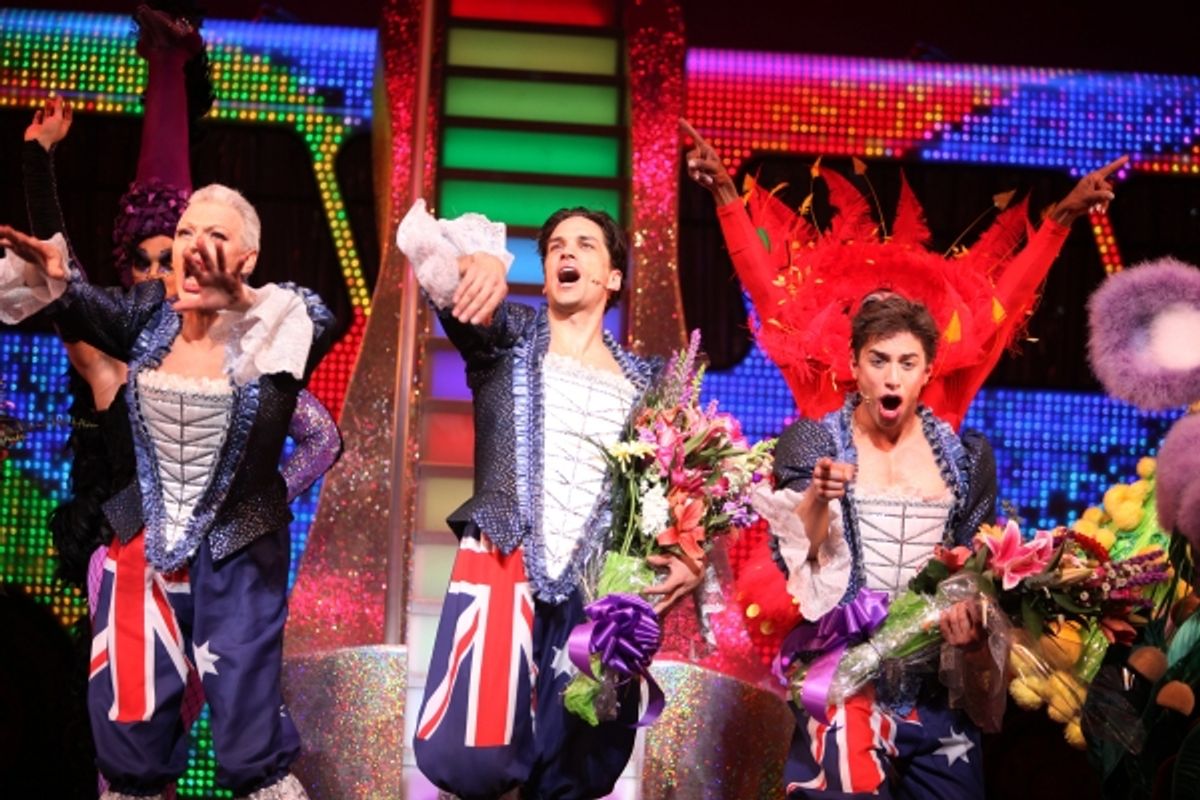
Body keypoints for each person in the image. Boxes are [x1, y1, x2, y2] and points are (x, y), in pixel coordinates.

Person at [0, 182, 333, 800]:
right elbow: (76, 304)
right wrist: (56, 261)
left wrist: (262, 498)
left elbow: (321, 420)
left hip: (233, 562)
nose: (194, 247)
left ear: (248, 257)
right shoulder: (147, 318)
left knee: (249, 740)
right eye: (185, 233)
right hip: (141, 555)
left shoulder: (276, 329)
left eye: (216, 235)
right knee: (131, 741)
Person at [397, 202, 701, 800]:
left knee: (575, 771)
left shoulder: (651, 387)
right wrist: (480, 253)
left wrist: (693, 556)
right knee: (476, 763)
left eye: (586, 245)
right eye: (557, 244)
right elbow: (425, 248)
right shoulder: (507, 335)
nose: (567, 252)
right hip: (503, 567)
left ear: (613, 277)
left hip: (594, 596)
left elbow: (679, 494)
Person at [681, 118, 1125, 431]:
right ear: (853, 350)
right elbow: (764, 287)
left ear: (927, 357)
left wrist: (1062, 216)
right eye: (872, 309)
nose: (886, 310)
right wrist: (724, 191)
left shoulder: (947, 381)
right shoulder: (823, 378)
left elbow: (1008, 298)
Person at [752, 294, 997, 798]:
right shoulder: (815, 443)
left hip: (933, 689)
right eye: (878, 361)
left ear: (927, 371)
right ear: (854, 367)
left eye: (907, 363)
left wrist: (971, 621)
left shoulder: (966, 458)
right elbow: (804, 555)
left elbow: (977, 563)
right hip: (844, 679)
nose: (891, 378)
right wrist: (819, 496)